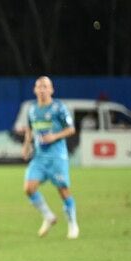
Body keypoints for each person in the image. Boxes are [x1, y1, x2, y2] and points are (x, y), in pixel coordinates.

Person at [21, 76, 79, 239]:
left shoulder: (58, 108)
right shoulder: (32, 109)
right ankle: (48, 216)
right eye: (39, 87)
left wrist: (54, 136)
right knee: (29, 188)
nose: (42, 89)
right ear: (35, 90)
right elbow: (30, 129)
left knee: (63, 190)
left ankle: (73, 223)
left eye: (46, 87)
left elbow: (71, 129)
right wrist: (26, 146)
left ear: (51, 90)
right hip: (40, 157)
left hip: (57, 157)